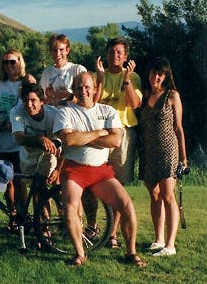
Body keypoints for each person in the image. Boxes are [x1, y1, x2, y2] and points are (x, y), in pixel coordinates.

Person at [53, 71, 146, 267]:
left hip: (101, 171)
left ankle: (131, 252)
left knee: (127, 205)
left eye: (87, 87)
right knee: (70, 208)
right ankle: (80, 254)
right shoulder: (65, 111)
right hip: (74, 169)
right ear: (74, 90)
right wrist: (99, 133)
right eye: (79, 87)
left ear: (95, 88)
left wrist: (83, 137)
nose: (83, 91)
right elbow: (69, 140)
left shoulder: (107, 111)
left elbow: (116, 140)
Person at [93, 38, 143, 249]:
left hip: (122, 133)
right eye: (112, 51)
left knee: (118, 184)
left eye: (120, 52)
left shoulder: (133, 77)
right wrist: (101, 79)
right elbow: (92, 103)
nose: (116, 55)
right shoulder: (97, 75)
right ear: (106, 54)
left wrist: (127, 80)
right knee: (94, 181)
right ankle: (93, 227)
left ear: (125, 56)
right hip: (100, 133)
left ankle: (112, 234)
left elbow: (135, 104)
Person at [140, 57, 187, 257]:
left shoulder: (172, 96)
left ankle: (170, 245)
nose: (156, 77)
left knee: (168, 196)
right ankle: (158, 240)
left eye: (160, 74)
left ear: (166, 76)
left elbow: (179, 128)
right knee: (155, 195)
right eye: (153, 73)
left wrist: (184, 159)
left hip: (168, 150)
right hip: (149, 151)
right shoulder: (144, 95)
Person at [0, 49, 35, 229]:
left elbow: (31, 107)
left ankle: (23, 216)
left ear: (20, 63)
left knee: (20, 181)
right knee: (6, 181)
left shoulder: (25, 84)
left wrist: (12, 125)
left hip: (17, 141)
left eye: (12, 62)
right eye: (5, 63)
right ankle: (12, 216)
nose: (9, 66)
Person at [9, 84, 61, 219]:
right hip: (28, 156)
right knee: (30, 188)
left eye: (33, 100)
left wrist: (59, 169)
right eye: (26, 100)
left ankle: (47, 224)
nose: (29, 104)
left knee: (40, 186)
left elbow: (64, 144)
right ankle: (35, 222)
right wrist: (40, 139)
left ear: (42, 101)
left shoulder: (54, 115)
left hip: (49, 155)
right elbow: (19, 138)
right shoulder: (17, 111)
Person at [39, 34, 87, 105]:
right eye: (55, 50)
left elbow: (86, 101)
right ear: (50, 52)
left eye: (61, 50)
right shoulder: (46, 73)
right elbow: (42, 103)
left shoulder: (78, 70)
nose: (58, 54)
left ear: (67, 50)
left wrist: (68, 96)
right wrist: (50, 97)